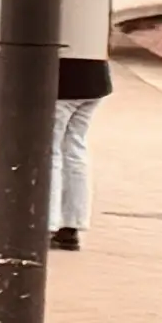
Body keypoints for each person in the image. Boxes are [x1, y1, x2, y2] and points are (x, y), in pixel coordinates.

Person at [52, 43, 108, 252]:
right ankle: (72, 224)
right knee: (74, 149)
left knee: (50, 151)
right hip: (94, 79)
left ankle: (47, 222)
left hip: (60, 82)